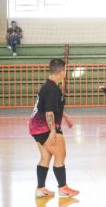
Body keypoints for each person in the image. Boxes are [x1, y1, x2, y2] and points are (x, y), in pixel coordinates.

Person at [29, 59, 79, 198]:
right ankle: (63, 188)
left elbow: (51, 107)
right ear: (62, 72)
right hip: (44, 127)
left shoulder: (48, 86)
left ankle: (40, 189)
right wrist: (53, 132)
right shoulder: (52, 89)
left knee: (45, 157)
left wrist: (66, 116)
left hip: (36, 126)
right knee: (60, 155)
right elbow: (49, 113)